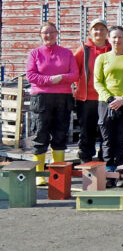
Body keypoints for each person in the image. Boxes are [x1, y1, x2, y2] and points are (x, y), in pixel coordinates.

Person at [27, 22, 79, 185]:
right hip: (41, 98)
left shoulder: (66, 53)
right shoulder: (34, 53)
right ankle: (40, 174)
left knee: (60, 134)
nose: (48, 36)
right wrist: (49, 80)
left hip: (63, 98)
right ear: (40, 35)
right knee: (40, 134)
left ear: (57, 34)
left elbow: (74, 74)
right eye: (45, 33)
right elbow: (31, 76)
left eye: (51, 32)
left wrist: (61, 78)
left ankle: (58, 174)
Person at [94, 26, 123, 186]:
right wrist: (109, 98)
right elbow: (97, 82)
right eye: (114, 37)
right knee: (107, 139)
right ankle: (108, 172)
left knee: (121, 138)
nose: (117, 40)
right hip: (106, 104)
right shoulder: (102, 58)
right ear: (109, 39)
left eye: (120, 37)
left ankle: (119, 172)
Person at [74, 18, 111, 163]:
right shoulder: (83, 50)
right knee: (86, 132)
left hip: (106, 98)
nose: (99, 32)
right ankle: (86, 162)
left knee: (106, 134)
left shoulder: (112, 49)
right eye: (96, 29)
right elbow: (73, 71)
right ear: (90, 32)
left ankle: (104, 163)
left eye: (102, 29)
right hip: (86, 99)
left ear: (107, 32)